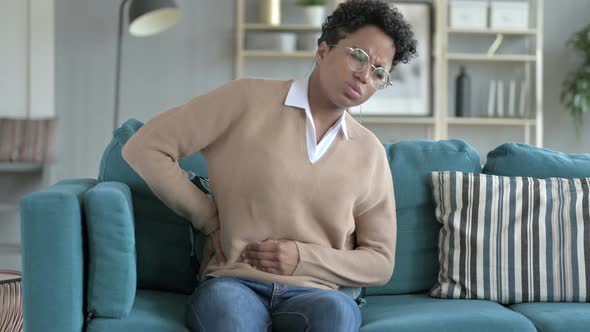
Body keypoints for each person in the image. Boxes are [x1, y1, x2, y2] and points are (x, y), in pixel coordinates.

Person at [122, 0, 417, 330]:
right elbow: (145, 146)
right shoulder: (245, 99)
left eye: (379, 72)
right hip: (233, 284)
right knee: (228, 314)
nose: (364, 75)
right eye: (358, 56)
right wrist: (209, 219)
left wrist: (304, 258)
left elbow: (380, 262)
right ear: (323, 51)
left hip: (318, 295)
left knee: (335, 316)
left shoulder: (369, 153)